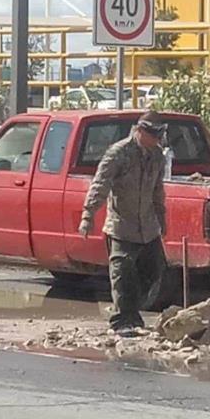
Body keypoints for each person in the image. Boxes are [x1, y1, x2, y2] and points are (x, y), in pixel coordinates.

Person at [79, 111, 168, 332]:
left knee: (155, 270)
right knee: (123, 274)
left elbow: (158, 190)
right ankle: (122, 321)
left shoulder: (157, 156)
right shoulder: (119, 153)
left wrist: (161, 217)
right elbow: (101, 184)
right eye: (153, 134)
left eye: (160, 134)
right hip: (122, 225)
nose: (157, 139)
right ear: (139, 131)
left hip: (148, 226)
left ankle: (132, 313)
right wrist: (88, 215)